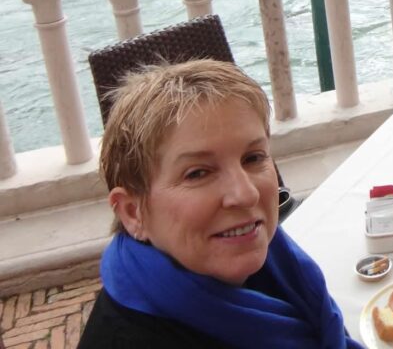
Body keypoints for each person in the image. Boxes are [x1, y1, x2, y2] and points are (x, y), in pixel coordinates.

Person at [79, 59, 364, 349]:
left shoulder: (280, 265)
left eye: (252, 158)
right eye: (198, 173)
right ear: (132, 212)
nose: (246, 194)